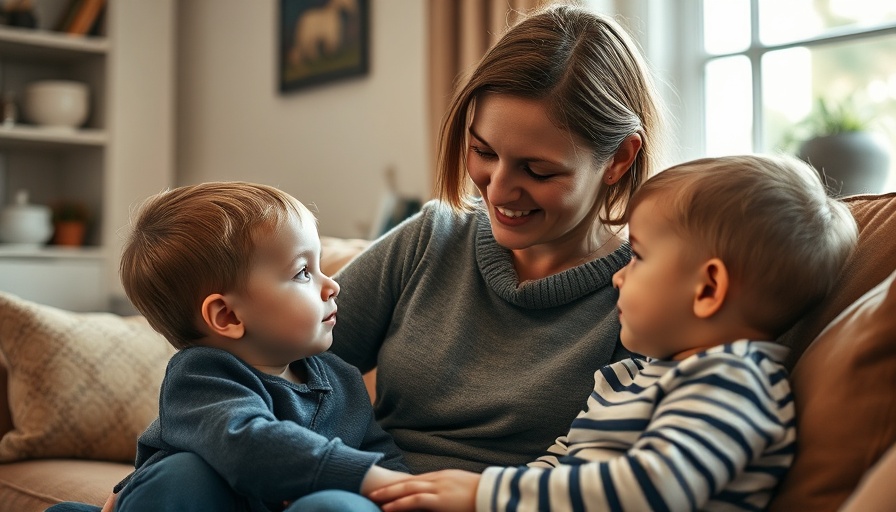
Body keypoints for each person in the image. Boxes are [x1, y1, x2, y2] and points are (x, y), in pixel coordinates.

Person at [367, 154, 860, 511]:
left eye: (639, 256)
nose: (619, 274)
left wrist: (485, 495)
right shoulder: (636, 377)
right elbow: (556, 466)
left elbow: (655, 487)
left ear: (708, 288)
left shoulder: (732, 383)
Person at [329, 2, 667, 476]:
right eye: (483, 152)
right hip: (361, 485)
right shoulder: (432, 236)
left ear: (619, 159)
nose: (498, 189)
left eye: (537, 169)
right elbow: (286, 357)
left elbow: (621, 474)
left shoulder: (647, 290)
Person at [48, 182, 408, 512]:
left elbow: (381, 456)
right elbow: (251, 444)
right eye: (303, 272)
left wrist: (406, 489)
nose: (332, 285)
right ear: (227, 316)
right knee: (185, 474)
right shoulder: (199, 377)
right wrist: (364, 475)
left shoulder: (342, 378)